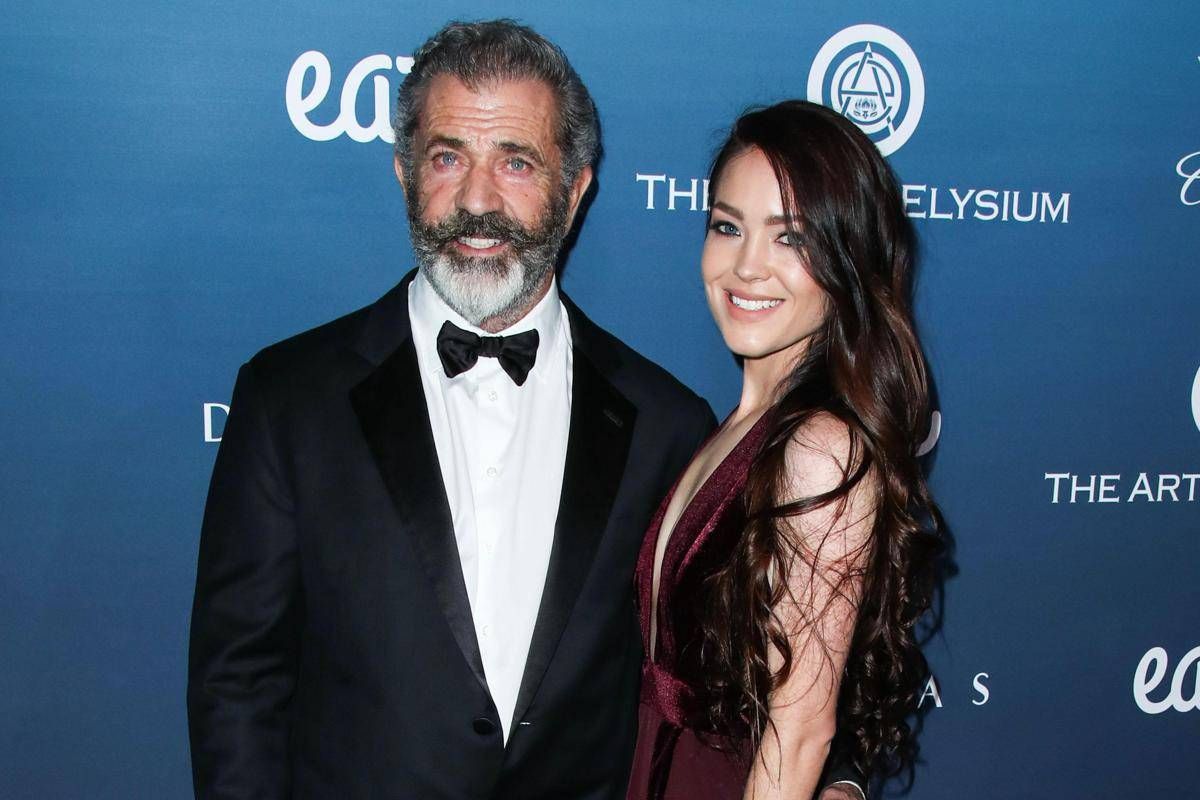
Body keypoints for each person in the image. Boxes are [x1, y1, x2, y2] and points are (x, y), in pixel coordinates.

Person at [187, 21, 862, 800]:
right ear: (404, 173)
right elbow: (237, 684)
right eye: (448, 158)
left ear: (573, 193)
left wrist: (838, 780)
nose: (477, 200)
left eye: (515, 162)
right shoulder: (289, 400)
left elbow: (765, 651)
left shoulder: (668, 424)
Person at [626, 101, 943, 800]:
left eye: (790, 238)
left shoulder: (821, 448)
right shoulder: (739, 427)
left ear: (846, 259)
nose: (747, 266)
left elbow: (800, 733)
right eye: (727, 227)